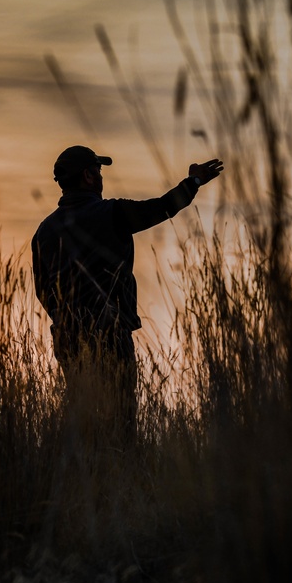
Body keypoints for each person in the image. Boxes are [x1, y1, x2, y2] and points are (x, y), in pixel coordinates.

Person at [32, 145, 223, 442]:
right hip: (110, 332)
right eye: (98, 170)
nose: (100, 176)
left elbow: (43, 291)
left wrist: (67, 319)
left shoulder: (44, 231)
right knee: (120, 419)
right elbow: (163, 207)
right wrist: (194, 182)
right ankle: (119, 476)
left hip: (67, 337)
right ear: (88, 175)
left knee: (80, 414)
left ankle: (79, 477)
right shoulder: (111, 213)